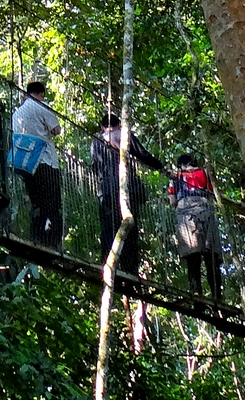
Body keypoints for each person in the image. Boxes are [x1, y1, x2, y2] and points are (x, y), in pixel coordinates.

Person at [88, 114, 166, 280]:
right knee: (129, 231)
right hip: (125, 188)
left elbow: (95, 167)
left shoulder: (96, 141)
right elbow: (142, 155)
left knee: (108, 229)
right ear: (118, 124)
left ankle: (107, 265)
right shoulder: (123, 134)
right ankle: (130, 271)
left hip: (106, 190)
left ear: (102, 127)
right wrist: (161, 167)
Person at [10, 73, 63, 246]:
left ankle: (37, 237)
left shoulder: (17, 113)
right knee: (52, 202)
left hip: (27, 164)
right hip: (46, 161)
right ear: (41, 95)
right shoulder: (42, 107)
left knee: (37, 202)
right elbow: (56, 130)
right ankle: (52, 241)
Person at [170, 153, 222, 305]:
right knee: (211, 255)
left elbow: (172, 200)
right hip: (205, 209)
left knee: (192, 255)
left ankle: (196, 293)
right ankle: (217, 296)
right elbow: (211, 193)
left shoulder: (176, 176)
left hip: (185, 212)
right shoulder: (205, 173)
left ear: (181, 164)